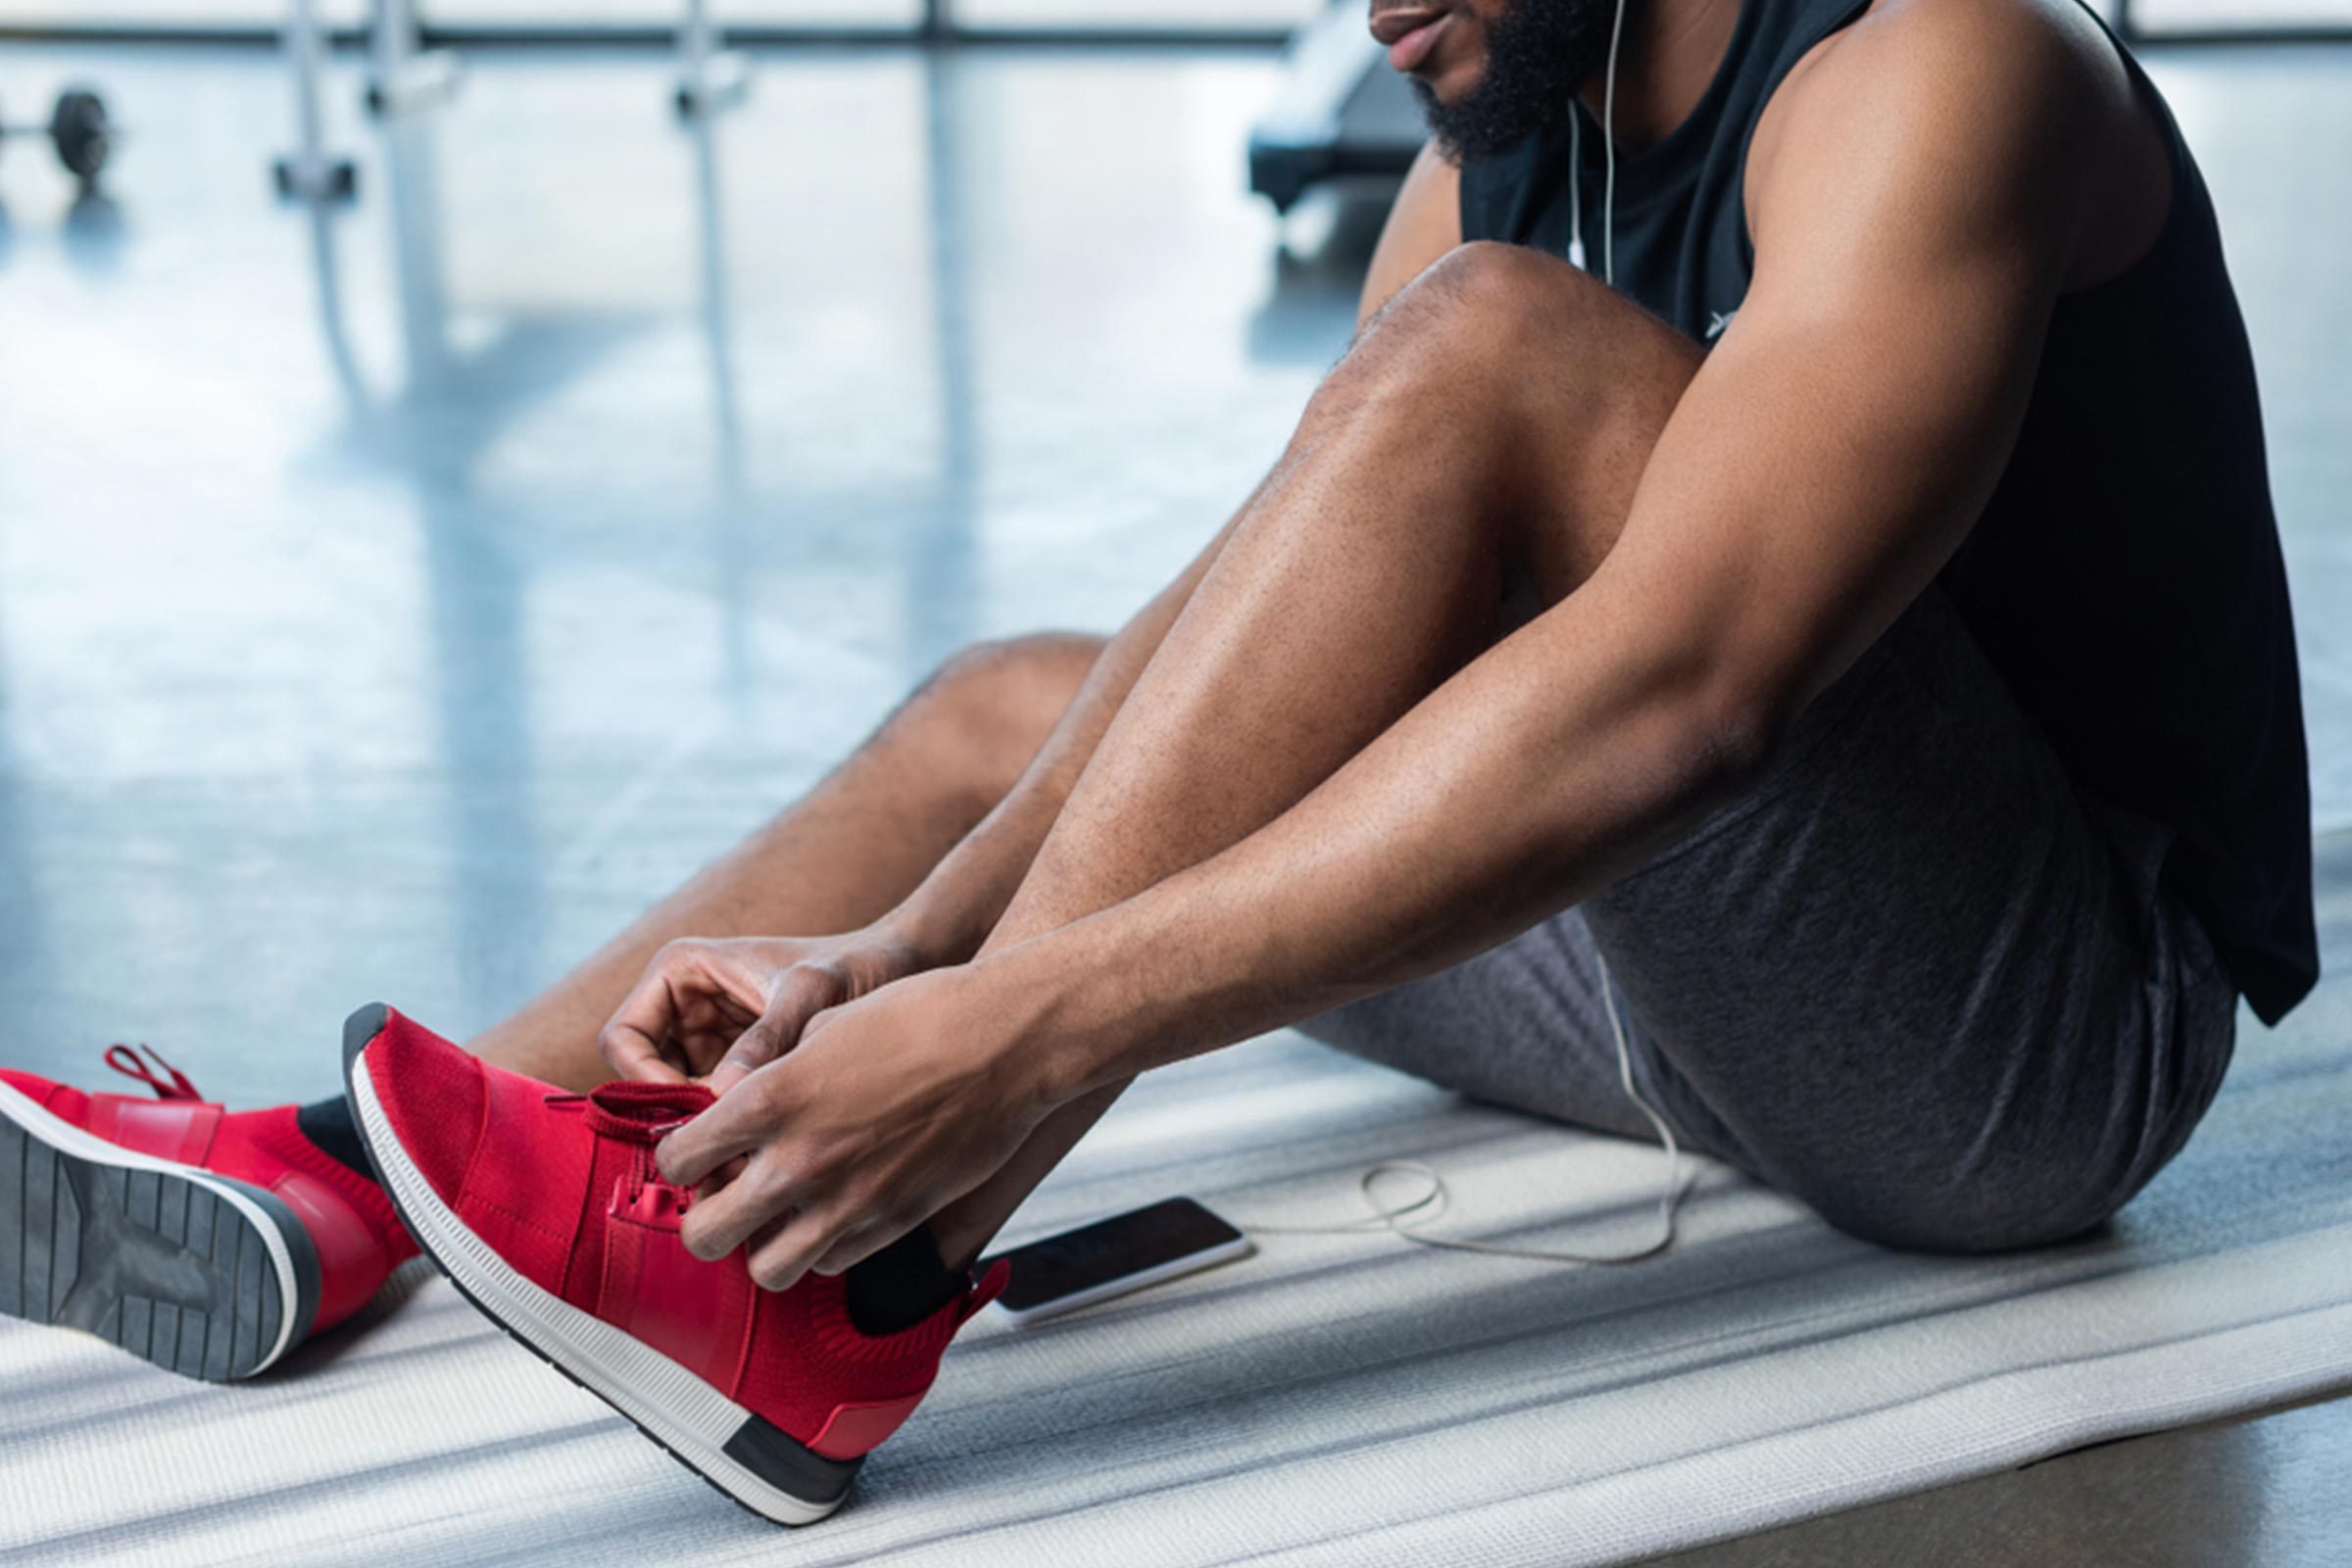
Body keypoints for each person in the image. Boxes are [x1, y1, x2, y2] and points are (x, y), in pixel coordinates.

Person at [1, 0, 2312, 1527]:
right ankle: (335, 1180)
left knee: (1493, 354)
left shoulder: (1947, 66)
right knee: (1032, 694)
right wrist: (901, 943)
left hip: (2022, 1058)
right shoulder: (1500, 126)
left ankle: (860, 1279)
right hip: (1663, 975)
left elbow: (1689, 685)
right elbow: (1248, 621)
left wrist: (1021, 1019)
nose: (1369, 8)